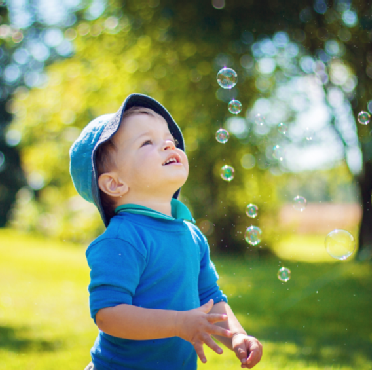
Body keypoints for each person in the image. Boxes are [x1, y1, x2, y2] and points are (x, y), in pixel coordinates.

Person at [69, 93, 263, 370]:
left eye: (169, 140)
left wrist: (238, 335)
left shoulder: (191, 234)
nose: (168, 145)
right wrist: (178, 323)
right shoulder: (123, 238)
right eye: (147, 142)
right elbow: (108, 315)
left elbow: (211, 298)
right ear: (114, 184)